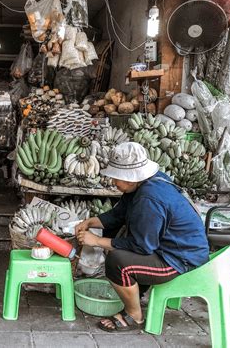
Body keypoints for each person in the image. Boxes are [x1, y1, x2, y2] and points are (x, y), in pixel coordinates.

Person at [75, 142, 209, 332]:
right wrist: (90, 222)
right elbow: (119, 214)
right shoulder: (146, 182)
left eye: (116, 178)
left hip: (180, 258)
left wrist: (96, 241)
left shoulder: (149, 198)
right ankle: (136, 293)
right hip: (167, 247)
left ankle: (134, 316)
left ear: (130, 179)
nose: (113, 182)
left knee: (117, 262)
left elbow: (142, 247)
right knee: (114, 236)